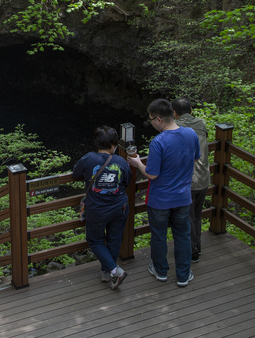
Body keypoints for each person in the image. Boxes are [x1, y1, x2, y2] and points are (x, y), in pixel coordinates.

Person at [127, 98, 200, 287]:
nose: (151, 122)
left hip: (160, 199)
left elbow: (152, 174)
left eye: (151, 119)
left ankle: (160, 271)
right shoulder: (191, 134)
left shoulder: (158, 142)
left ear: (159, 119)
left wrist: (137, 164)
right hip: (183, 196)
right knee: (182, 235)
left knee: (158, 235)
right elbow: (195, 158)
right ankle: (183, 275)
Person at [72, 125, 132, 290]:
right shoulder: (121, 161)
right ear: (114, 145)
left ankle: (114, 271)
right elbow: (127, 181)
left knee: (94, 240)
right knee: (114, 239)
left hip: (97, 209)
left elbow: (75, 173)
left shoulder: (88, 158)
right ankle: (107, 273)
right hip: (120, 207)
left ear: (96, 144)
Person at [172, 97, 211, 263]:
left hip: (187, 180)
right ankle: (197, 247)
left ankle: (193, 251)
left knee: (187, 218)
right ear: (191, 110)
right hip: (204, 178)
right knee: (196, 216)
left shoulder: (176, 128)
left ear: (174, 113)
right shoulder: (201, 124)